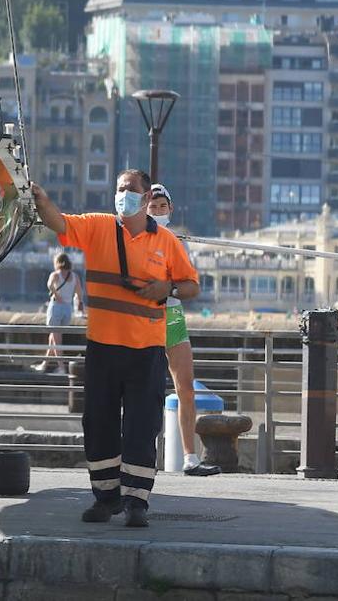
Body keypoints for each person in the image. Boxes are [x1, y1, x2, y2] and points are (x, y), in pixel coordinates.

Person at [31, 168, 201, 528]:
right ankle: (105, 498)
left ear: (144, 197)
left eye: (129, 190)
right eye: (119, 189)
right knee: (98, 422)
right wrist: (42, 201)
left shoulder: (166, 241)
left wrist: (166, 289)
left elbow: (191, 286)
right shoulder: (98, 227)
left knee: (142, 426)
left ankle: (137, 501)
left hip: (146, 350)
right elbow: (59, 223)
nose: (122, 194)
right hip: (103, 348)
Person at [146, 184, 221, 477]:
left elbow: (186, 279)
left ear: (171, 209)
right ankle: (136, 454)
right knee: (143, 388)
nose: (157, 210)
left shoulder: (178, 239)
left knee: (185, 386)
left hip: (173, 315)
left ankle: (190, 457)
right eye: (153, 206)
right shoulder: (134, 236)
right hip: (145, 316)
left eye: (162, 206)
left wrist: (169, 285)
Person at [33, 253, 83, 373]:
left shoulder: (55, 274)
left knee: (56, 339)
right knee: (54, 337)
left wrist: (56, 294)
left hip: (56, 307)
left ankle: (61, 368)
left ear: (58, 262)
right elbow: (79, 293)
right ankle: (44, 365)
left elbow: (49, 285)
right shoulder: (74, 276)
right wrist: (79, 304)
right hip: (67, 308)